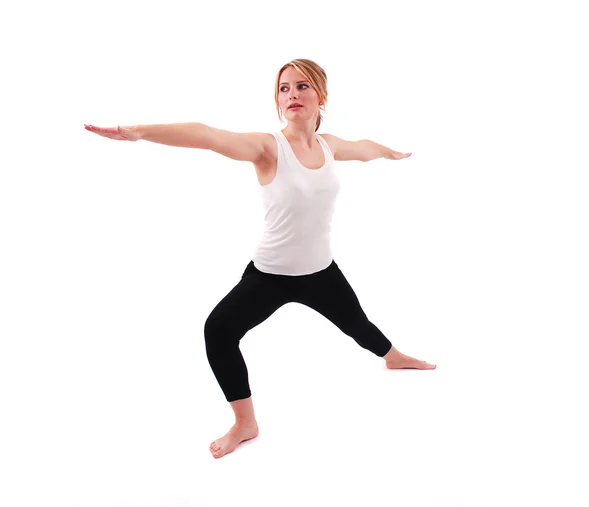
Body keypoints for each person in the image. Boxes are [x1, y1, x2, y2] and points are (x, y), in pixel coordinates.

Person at [84, 58, 437, 460]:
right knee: (218, 331)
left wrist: (389, 152)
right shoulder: (268, 147)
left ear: (320, 95)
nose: (292, 95)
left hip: (321, 271)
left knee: (358, 324)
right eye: (284, 89)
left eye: (302, 86)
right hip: (270, 276)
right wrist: (138, 133)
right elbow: (206, 134)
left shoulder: (328, 145)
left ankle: (393, 358)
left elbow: (364, 149)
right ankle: (245, 422)